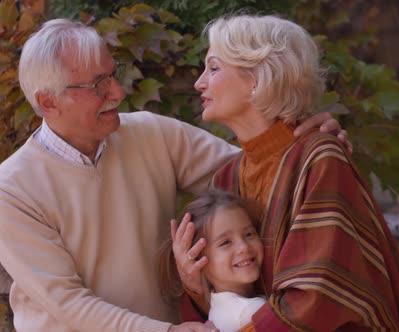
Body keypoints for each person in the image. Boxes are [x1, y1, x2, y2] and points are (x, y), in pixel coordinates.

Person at [0, 18, 347, 332]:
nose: (118, 93)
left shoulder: (152, 134)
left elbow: (262, 176)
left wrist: (306, 144)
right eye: (98, 85)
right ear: (48, 102)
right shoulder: (11, 190)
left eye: (112, 74)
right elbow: (65, 302)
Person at [172, 14, 399, 332]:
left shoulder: (321, 158)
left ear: (256, 80)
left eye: (213, 67)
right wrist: (197, 285)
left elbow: (316, 297)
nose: (199, 82)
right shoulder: (226, 178)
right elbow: (234, 301)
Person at [160, 191, 266, 332]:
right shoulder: (250, 311)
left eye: (249, 234)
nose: (243, 247)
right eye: (226, 242)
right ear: (198, 261)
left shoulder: (218, 309)